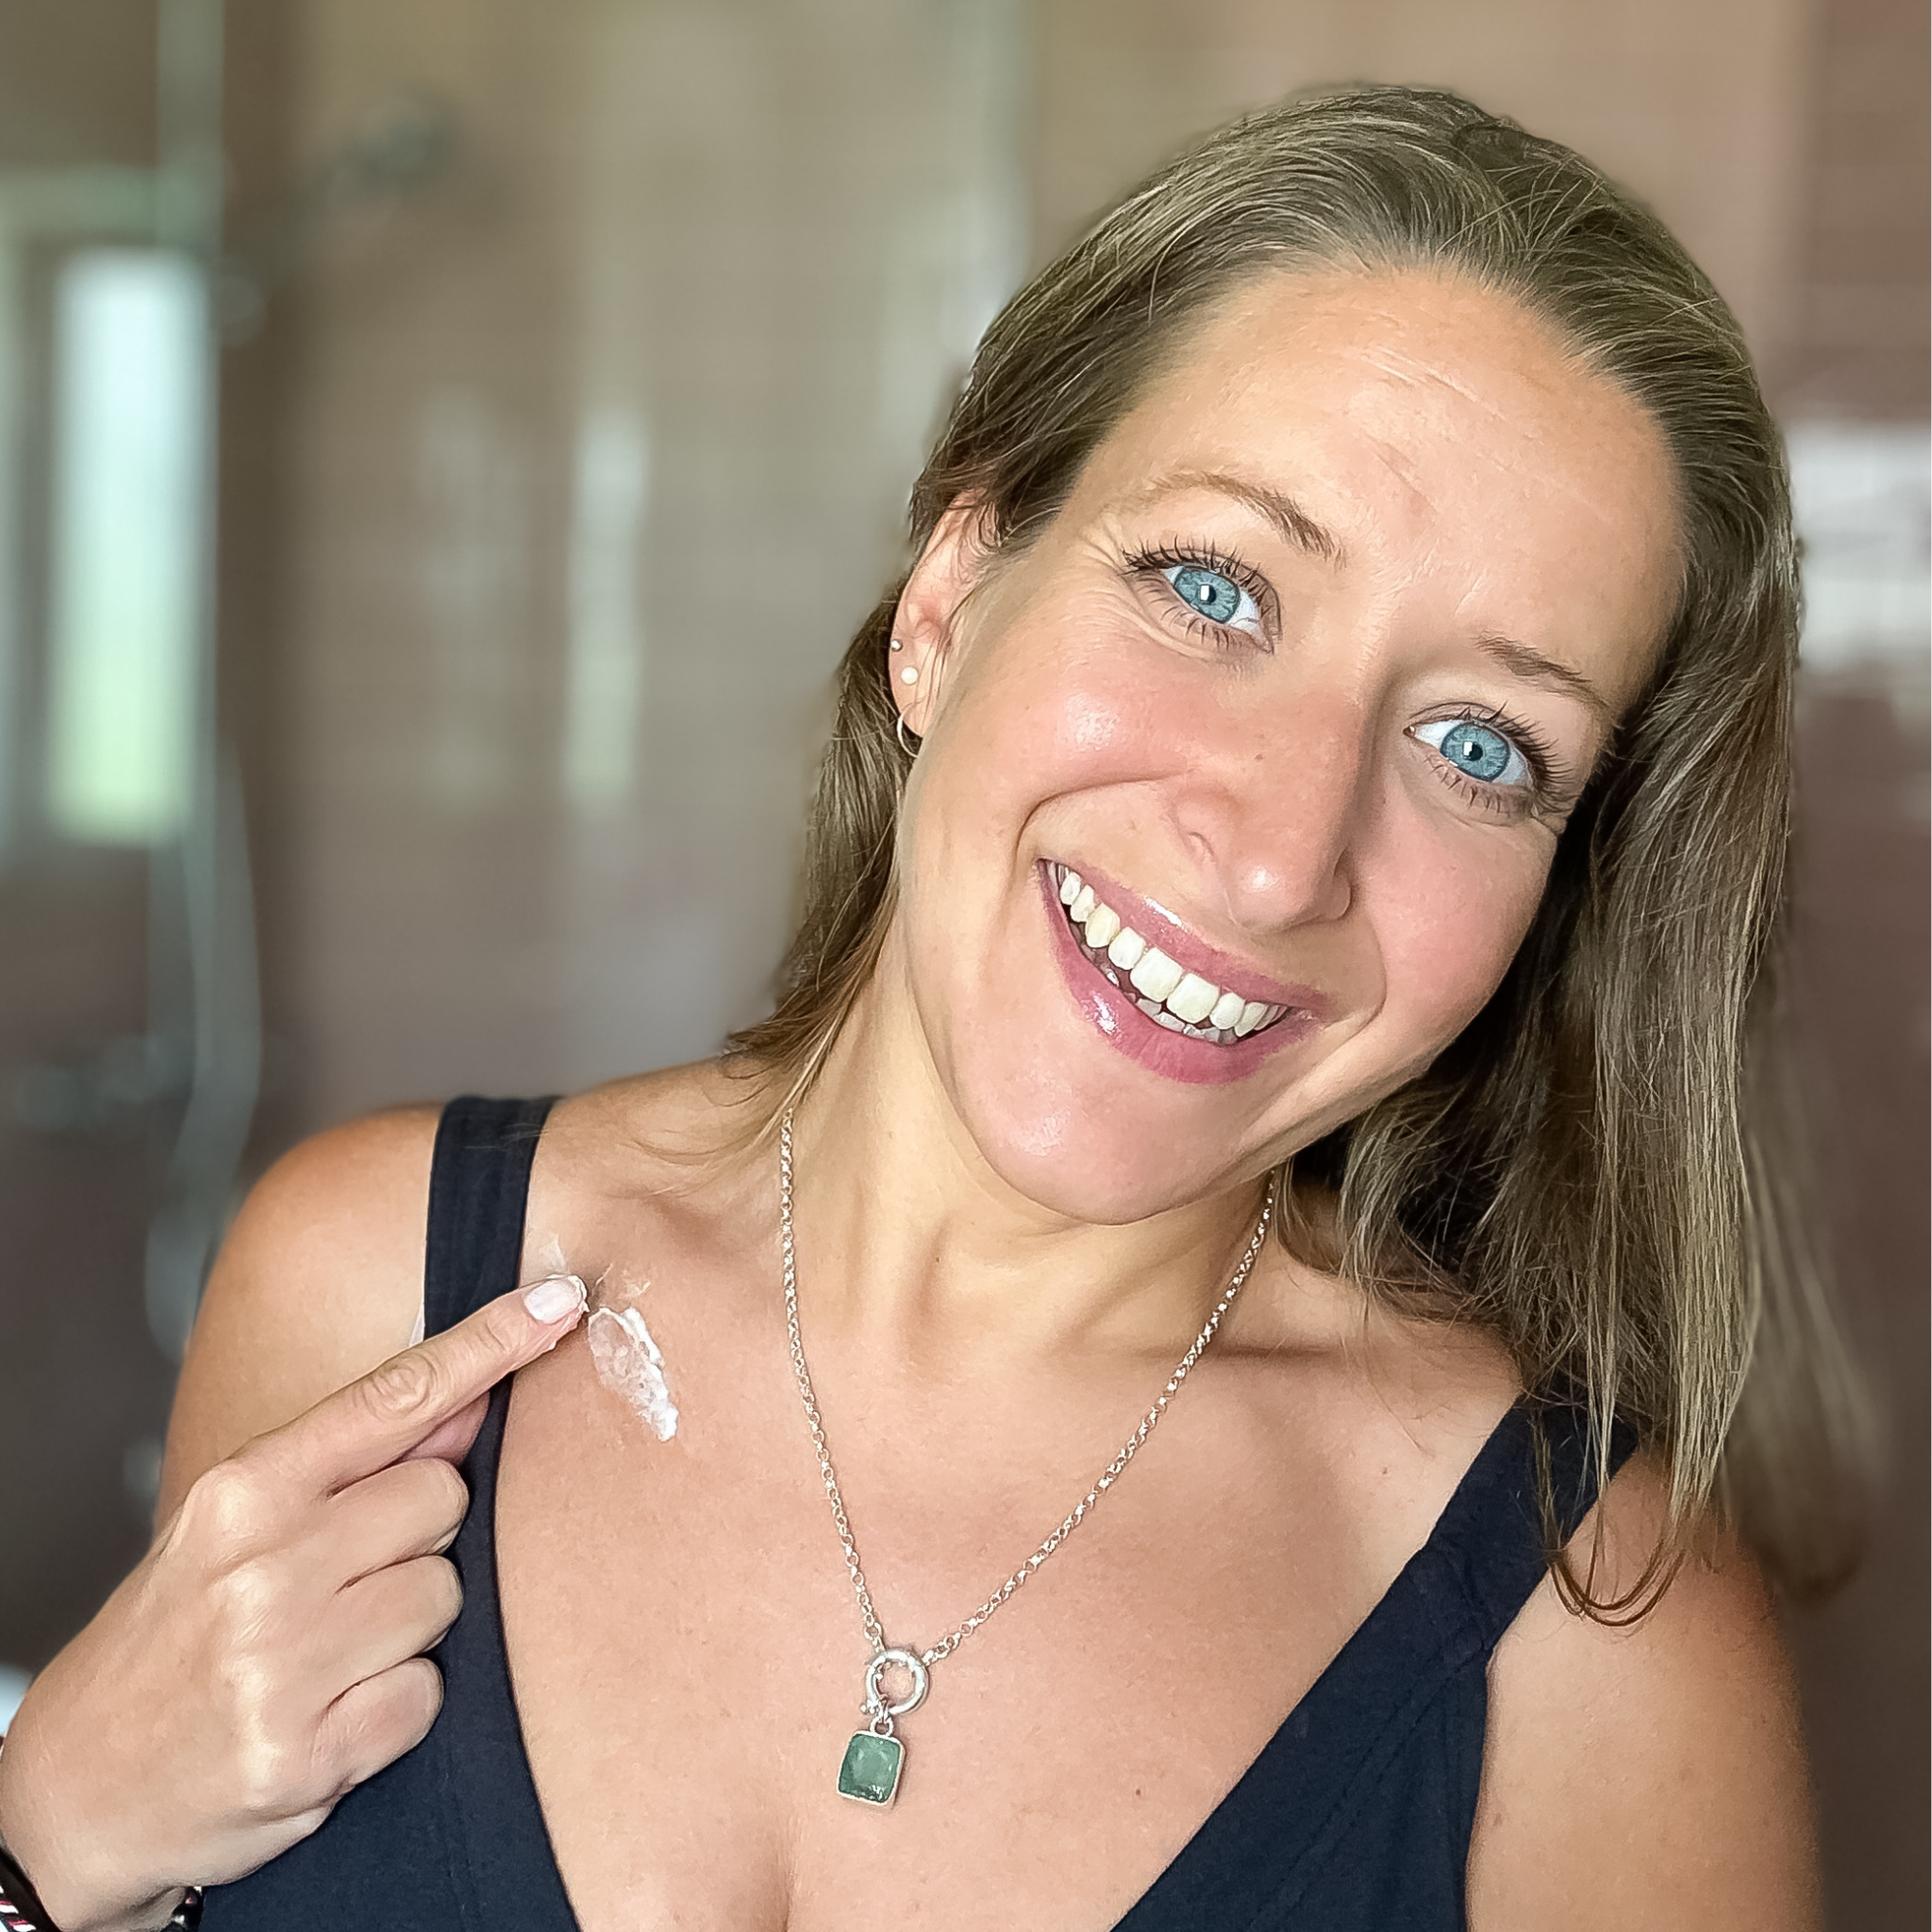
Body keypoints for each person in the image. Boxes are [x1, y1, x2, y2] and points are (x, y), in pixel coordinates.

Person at [0, 84, 1852, 1931]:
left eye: (1480, 744)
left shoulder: (1590, 1645)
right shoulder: (370, 1288)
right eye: (1215, 588)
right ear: (950, 598)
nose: (1284, 854)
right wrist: (44, 1843)